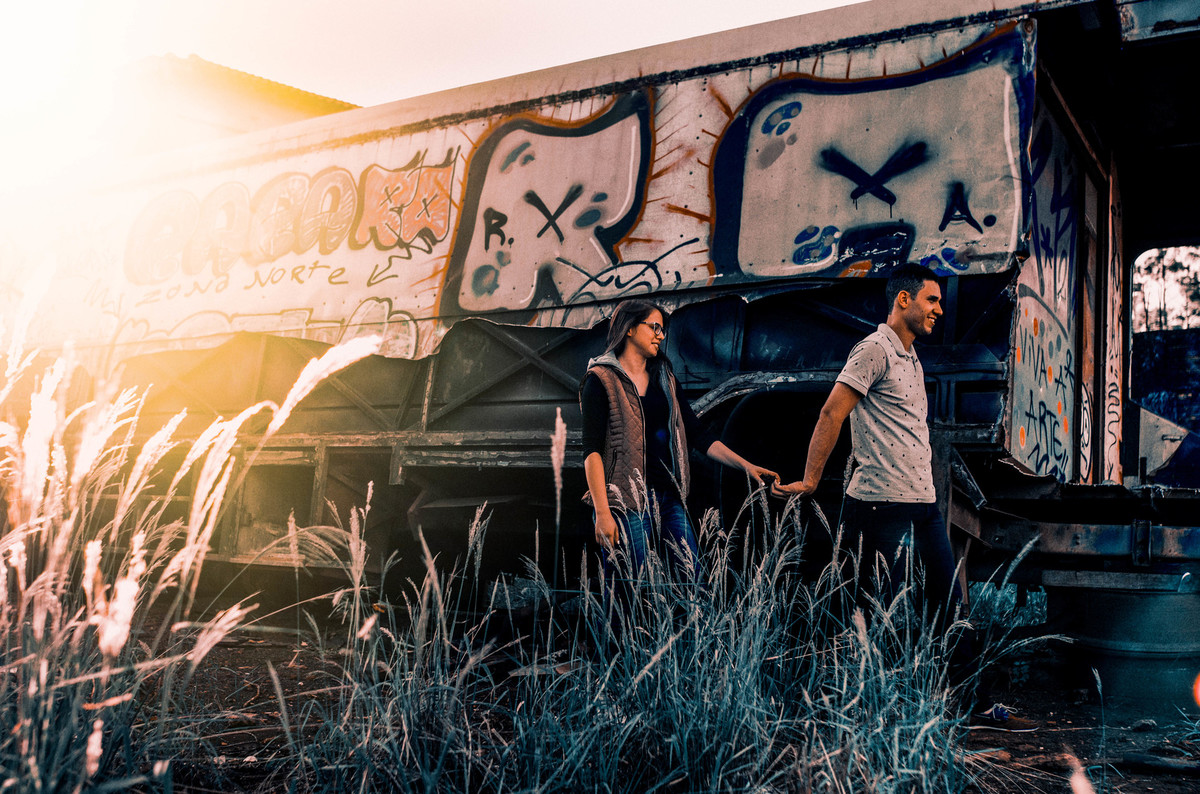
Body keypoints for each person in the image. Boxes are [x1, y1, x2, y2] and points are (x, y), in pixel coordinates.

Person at [771, 263, 962, 621]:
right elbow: (831, 413)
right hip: (882, 506)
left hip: (923, 504)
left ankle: (950, 678)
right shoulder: (875, 349)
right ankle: (866, 675)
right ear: (904, 300)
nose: (939, 309)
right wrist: (811, 480)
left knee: (948, 607)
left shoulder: (911, 356)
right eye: (931, 300)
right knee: (882, 616)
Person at [580, 299, 777, 585]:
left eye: (663, 329)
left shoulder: (664, 378)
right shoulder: (601, 380)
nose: (661, 335)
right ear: (630, 329)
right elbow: (592, 451)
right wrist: (602, 512)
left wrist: (746, 466)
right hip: (625, 504)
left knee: (692, 581)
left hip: (669, 498)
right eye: (655, 327)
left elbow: (697, 433)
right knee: (630, 591)